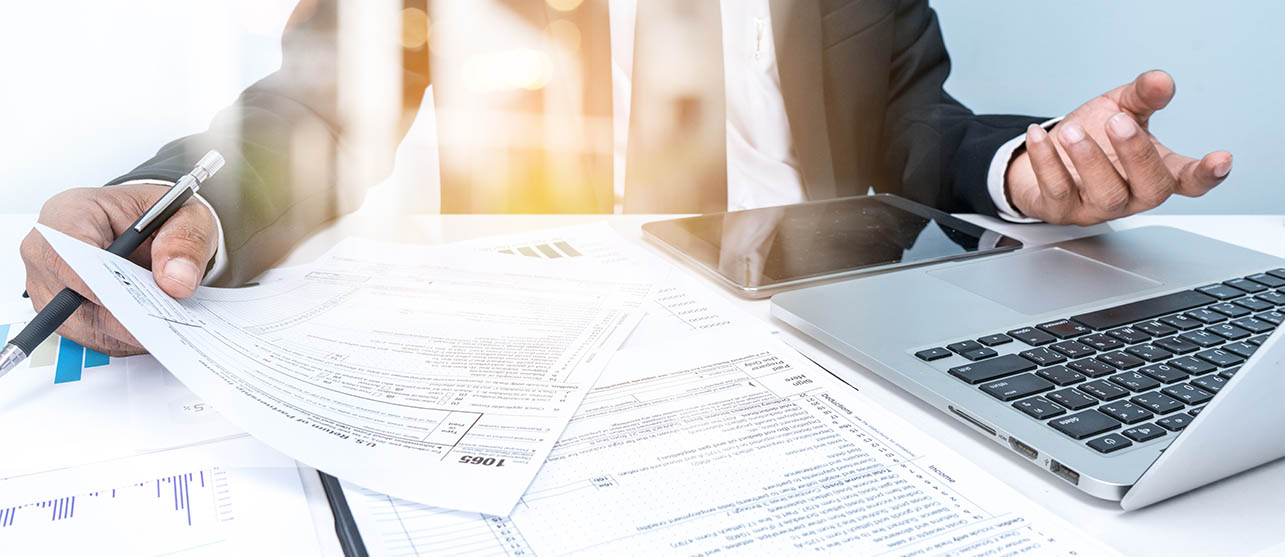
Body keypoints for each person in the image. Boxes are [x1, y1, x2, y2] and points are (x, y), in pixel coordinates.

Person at [20, 0, 1232, 356]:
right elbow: (314, 112)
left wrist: (1033, 170)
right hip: (522, 345)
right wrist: (180, 211)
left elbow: (915, 129)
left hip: (811, 339)